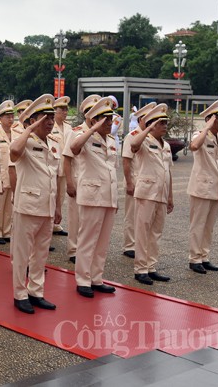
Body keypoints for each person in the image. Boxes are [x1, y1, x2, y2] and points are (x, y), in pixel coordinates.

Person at [9, 94, 60, 314]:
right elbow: (13, 153)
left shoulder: (54, 144)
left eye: (51, 117)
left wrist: (57, 207)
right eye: (44, 118)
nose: (49, 122)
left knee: (40, 253)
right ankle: (19, 294)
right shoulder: (25, 141)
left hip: (47, 206)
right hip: (28, 205)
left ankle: (36, 291)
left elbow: (55, 177)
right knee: (22, 254)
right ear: (32, 120)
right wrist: (28, 128)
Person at [66, 96, 118, 298]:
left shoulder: (111, 140)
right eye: (105, 120)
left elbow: (113, 169)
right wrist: (93, 129)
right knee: (87, 239)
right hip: (91, 195)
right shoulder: (81, 134)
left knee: (103, 241)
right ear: (95, 120)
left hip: (109, 195)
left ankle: (96, 278)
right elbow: (74, 149)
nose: (109, 124)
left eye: (110, 120)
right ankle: (82, 279)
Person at [128, 104, 173, 285]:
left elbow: (168, 170)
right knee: (143, 232)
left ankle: (151, 267)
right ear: (152, 125)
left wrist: (170, 196)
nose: (165, 126)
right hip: (146, 193)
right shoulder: (143, 141)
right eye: (161, 123)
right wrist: (147, 127)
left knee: (156, 232)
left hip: (161, 194)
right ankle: (140, 270)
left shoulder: (167, 145)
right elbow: (133, 145)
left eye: (165, 123)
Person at [187, 99, 218, 274]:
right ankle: (194, 259)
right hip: (201, 187)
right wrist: (207, 127)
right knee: (198, 224)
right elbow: (194, 146)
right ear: (209, 119)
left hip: (216, 187)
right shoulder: (200, 135)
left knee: (209, 226)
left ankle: (204, 256)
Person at [62, 94, 101, 264]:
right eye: (92, 114)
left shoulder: (101, 134)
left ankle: (87, 249)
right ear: (87, 115)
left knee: (90, 220)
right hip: (78, 180)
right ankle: (73, 250)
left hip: (94, 183)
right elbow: (67, 158)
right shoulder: (76, 132)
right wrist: (69, 183)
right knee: (75, 217)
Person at [121, 102, 157, 259]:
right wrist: (129, 182)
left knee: (144, 218)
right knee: (131, 215)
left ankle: (141, 244)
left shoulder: (151, 137)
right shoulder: (132, 136)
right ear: (141, 120)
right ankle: (129, 245)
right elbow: (126, 161)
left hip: (147, 183)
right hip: (134, 180)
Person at [0, 101, 15, 245]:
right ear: (0, 118)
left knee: (8, 207)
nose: (11, 119)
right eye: (7, 117)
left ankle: (6, 230)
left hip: (11, 174)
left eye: (12, 116)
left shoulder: (16, 133)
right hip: (0, 174)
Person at [49, 96, 71, 237]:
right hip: (53, 165)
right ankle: (49, 224)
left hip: (64, 166)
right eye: (61, 109)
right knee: (51, 195)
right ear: (55, 111)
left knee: (61, 196)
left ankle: (55, 224)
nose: (65, 112)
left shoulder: (68, 127)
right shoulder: (50, 126)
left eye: (66, 109)